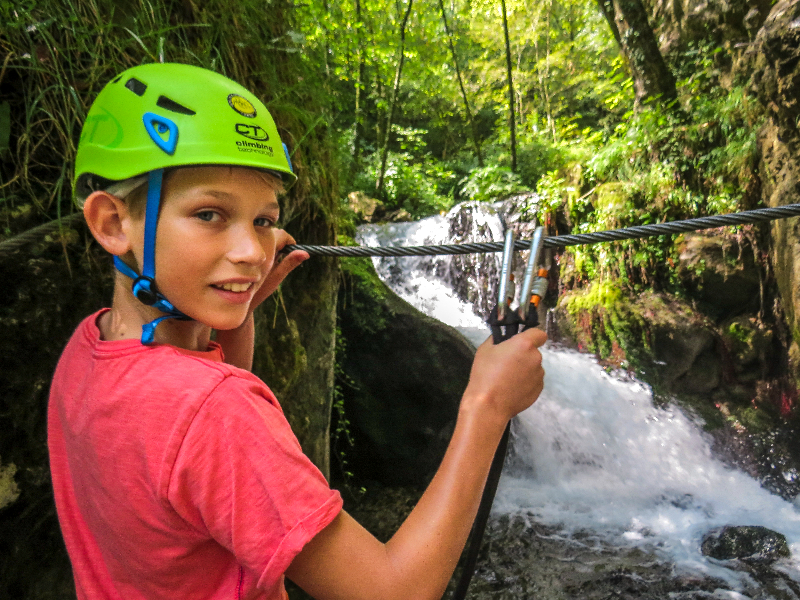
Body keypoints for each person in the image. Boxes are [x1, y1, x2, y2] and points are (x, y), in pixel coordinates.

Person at [48, 62, 547, 600]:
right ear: (113, 223)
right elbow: (393, 592)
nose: (250, 252)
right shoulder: (216, 413)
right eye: (211, 214)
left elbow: (193, 467)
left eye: (263, 221)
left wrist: (239, 311)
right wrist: (486, 407)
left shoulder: (89, 348)